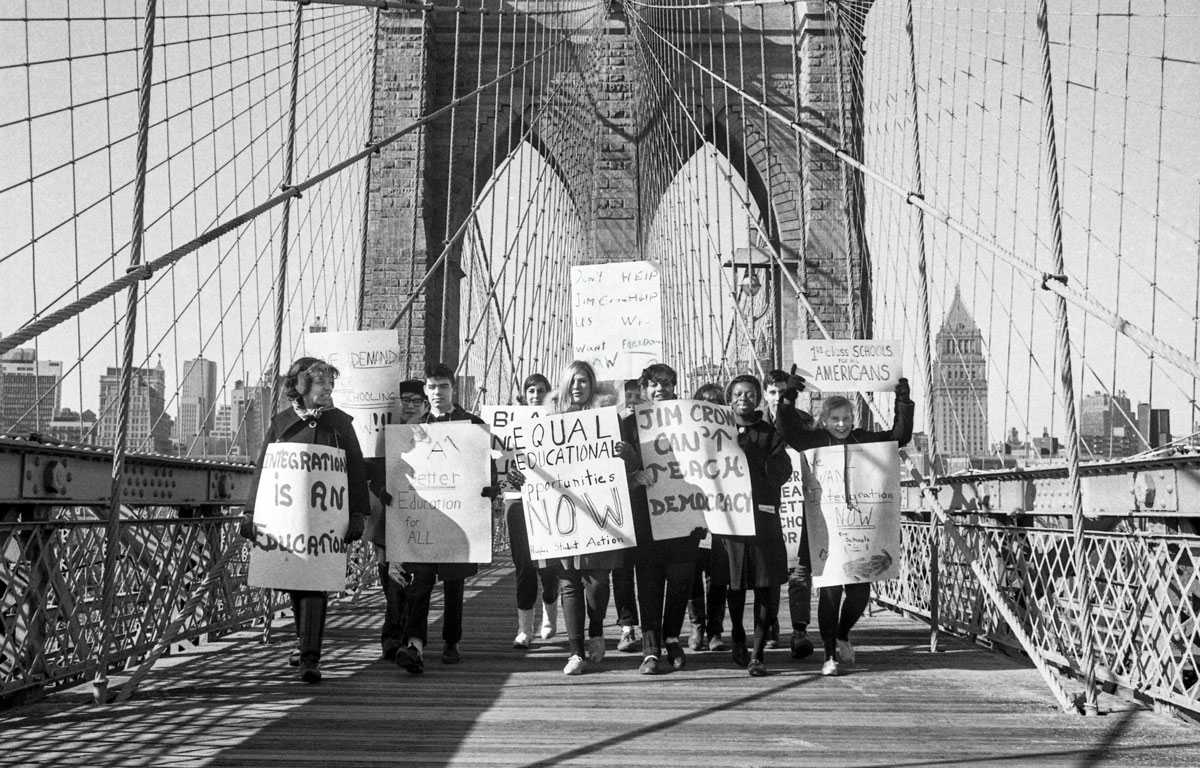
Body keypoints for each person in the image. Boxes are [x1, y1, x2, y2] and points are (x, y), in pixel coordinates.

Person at [240, 357, 369, 683]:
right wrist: (251, 512)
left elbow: (355, 469)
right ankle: (303, 643)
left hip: (326, 523)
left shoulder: (340, 425)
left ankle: (310, 657)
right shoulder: (281, 425)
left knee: (314, 585)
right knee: (295, 583)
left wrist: (357, 514)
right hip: (289, 523)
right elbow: (264, 471)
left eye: (330, 383)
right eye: (321, 382)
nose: (328, 388)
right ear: (301, 387)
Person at [776, 375, 914, 677]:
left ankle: (842, 634)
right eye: (835, 419)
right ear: (824, 420)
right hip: (825, 528)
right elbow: (786, 429)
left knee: (859, 593)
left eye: (847, 418)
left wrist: (902, 401)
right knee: (831, 591)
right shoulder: (812, 441)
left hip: (859, 530)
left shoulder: (862, 440)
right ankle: (829, 656)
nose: (842, 424)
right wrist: (788, 398)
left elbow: (899, 437)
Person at [395, 363, 498, 674]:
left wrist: (489, 489)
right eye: (432, 387)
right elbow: (400, 469)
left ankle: (452, 641)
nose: (437, 393)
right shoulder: (413, 428)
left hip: (459, 516)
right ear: (426, 391)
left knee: (454, 582)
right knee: (421, 580)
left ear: (454, 389)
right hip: (425, 517)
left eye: (443, 387)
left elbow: (485, 467)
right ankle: (415, 644)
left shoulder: (473, 424)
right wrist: (390, 491)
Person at [620, 363, 703, 675]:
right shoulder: (629, 425)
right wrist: (633, 471)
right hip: (646, 515)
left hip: (685, 513)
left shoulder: (693, 420)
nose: (660, 389)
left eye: (666, 383)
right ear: (643, 390)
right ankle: (650, 649)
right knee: (650, 583)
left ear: (674, 386)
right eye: (653, 385)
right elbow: (615, 471)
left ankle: (672, 638)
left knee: (681, 580)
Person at [551, 360, 627, 675]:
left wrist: (626, 452)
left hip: (599, 511)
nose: (577, 387)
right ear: (565, 386)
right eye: (572, 381)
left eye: (583, 381)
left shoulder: (609, 422)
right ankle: (576, 652)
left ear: (591, 385)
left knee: (597, 580)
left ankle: (596, 631)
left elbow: (630, 462)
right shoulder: (551, 425)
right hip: (565, 513)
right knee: (568, 582)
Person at [714, 374, 792, 677]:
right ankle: (737, 637)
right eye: (737, 394)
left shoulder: (770, 433)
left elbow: (782, 471)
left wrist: (754, 455)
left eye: (749, 394)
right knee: (734, 585)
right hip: (730, 520)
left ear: (758, 398)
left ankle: (758, 654)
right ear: (729, 398)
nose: (743, 399)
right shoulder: (717, 429)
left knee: (764, 586)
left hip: (762, 521)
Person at [369, 379, 428, 661]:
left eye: (417, 401)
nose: (411, 406)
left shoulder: (434, 436)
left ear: (426, 405)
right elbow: (368, 471)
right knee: (388, 575)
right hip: (387, 512)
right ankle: (398, 633)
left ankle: (392, 639)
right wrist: (378, 488)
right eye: (406, 400)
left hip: (417, 514)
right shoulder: (381, 434)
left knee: (400, 577)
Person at [505, 373, 561, 648]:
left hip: (549, 500)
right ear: (524, 396)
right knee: (524, 567)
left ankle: (550, 616)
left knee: (550, 568)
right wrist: (510, 473)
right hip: (517, 500)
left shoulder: (559, 424)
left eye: (541, 391)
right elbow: (501, 460)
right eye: (530, 391)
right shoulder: (510, 425)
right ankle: (524, 629)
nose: (535, 396)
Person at [686, 382, 729, 652]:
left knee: (717, 576)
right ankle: (696, 625)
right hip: (691, 513)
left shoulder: (731, 435)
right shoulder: (686, 436)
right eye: (705, 403)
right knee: (691, 573)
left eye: (716, 404)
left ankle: (715, 629)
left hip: (721, 515)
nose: (710, 408)